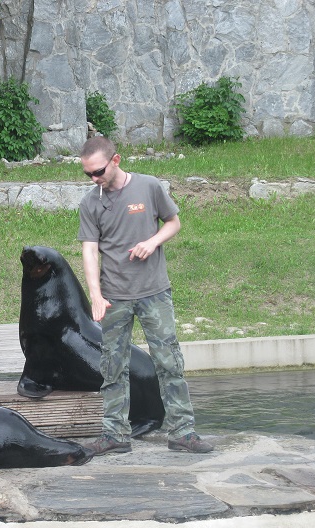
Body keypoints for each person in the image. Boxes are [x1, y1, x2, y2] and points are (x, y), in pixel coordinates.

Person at [77, 136, 213, 454]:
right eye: (88, 175)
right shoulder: (90, 203)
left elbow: (173, 223)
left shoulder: (149, 186)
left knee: (169, 362)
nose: (94, 179)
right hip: (114, 296)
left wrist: (153, 242)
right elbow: (89, 251)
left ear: (116, 160)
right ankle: (115, 435)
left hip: (155, 292)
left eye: (97, 171)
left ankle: (182, 432)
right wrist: (95, 295)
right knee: (112, 365)